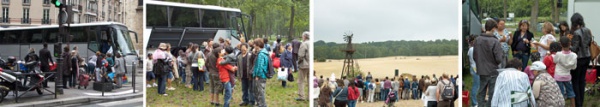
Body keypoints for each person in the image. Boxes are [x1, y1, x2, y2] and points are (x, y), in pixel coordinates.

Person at [474, 19, 503, 107]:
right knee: (492, 93)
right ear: (493, 28)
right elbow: (499, 59)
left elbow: (475, 56)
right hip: (492, 71)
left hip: (481, 70)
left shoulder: (477, 39)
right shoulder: (495, 41)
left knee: (481, 92)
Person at [570, 13, 592, 107]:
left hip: (578, 59)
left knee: (575, 81)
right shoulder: (588, 30)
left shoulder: (576, 33)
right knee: (582, 81)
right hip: (587, 57)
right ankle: (581, 102)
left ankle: (578, 103)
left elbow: (574, 48)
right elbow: (589, 42)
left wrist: (567, 46)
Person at [555, 36, 577, 107]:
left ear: (560, 44)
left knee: (560, 93)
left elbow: (554, 61)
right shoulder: (574, 55)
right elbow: (574, 67)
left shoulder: (558, 54)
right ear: (570, 43)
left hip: (558, 76)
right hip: (567, 76)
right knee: (571, 92)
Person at [252, 38, 270, 107]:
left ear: (258, 45)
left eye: (255, 44)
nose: (253, 46)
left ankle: (262, 105)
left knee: (260, 92)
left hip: (260, 76)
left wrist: (257, 75)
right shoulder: (263, 52)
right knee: (259, 91)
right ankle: (260, 104)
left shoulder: (261, 54)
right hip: (262, 75)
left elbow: (260, 66)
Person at [297, 31, 310, 101]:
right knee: (309, 81)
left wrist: (298, 62)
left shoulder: (304, 44)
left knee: (301, 81)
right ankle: (309, 96)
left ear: (304, 37)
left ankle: (301, 96)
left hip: (304, 65)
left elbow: (301, 55)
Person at [466, 34, 479, 107]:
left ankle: (475, 101)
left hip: (473, 68)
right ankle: (474, 103)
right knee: (476, 86)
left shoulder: (471, 49)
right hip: (475, 68)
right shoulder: (473, 49)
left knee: (476, 85)